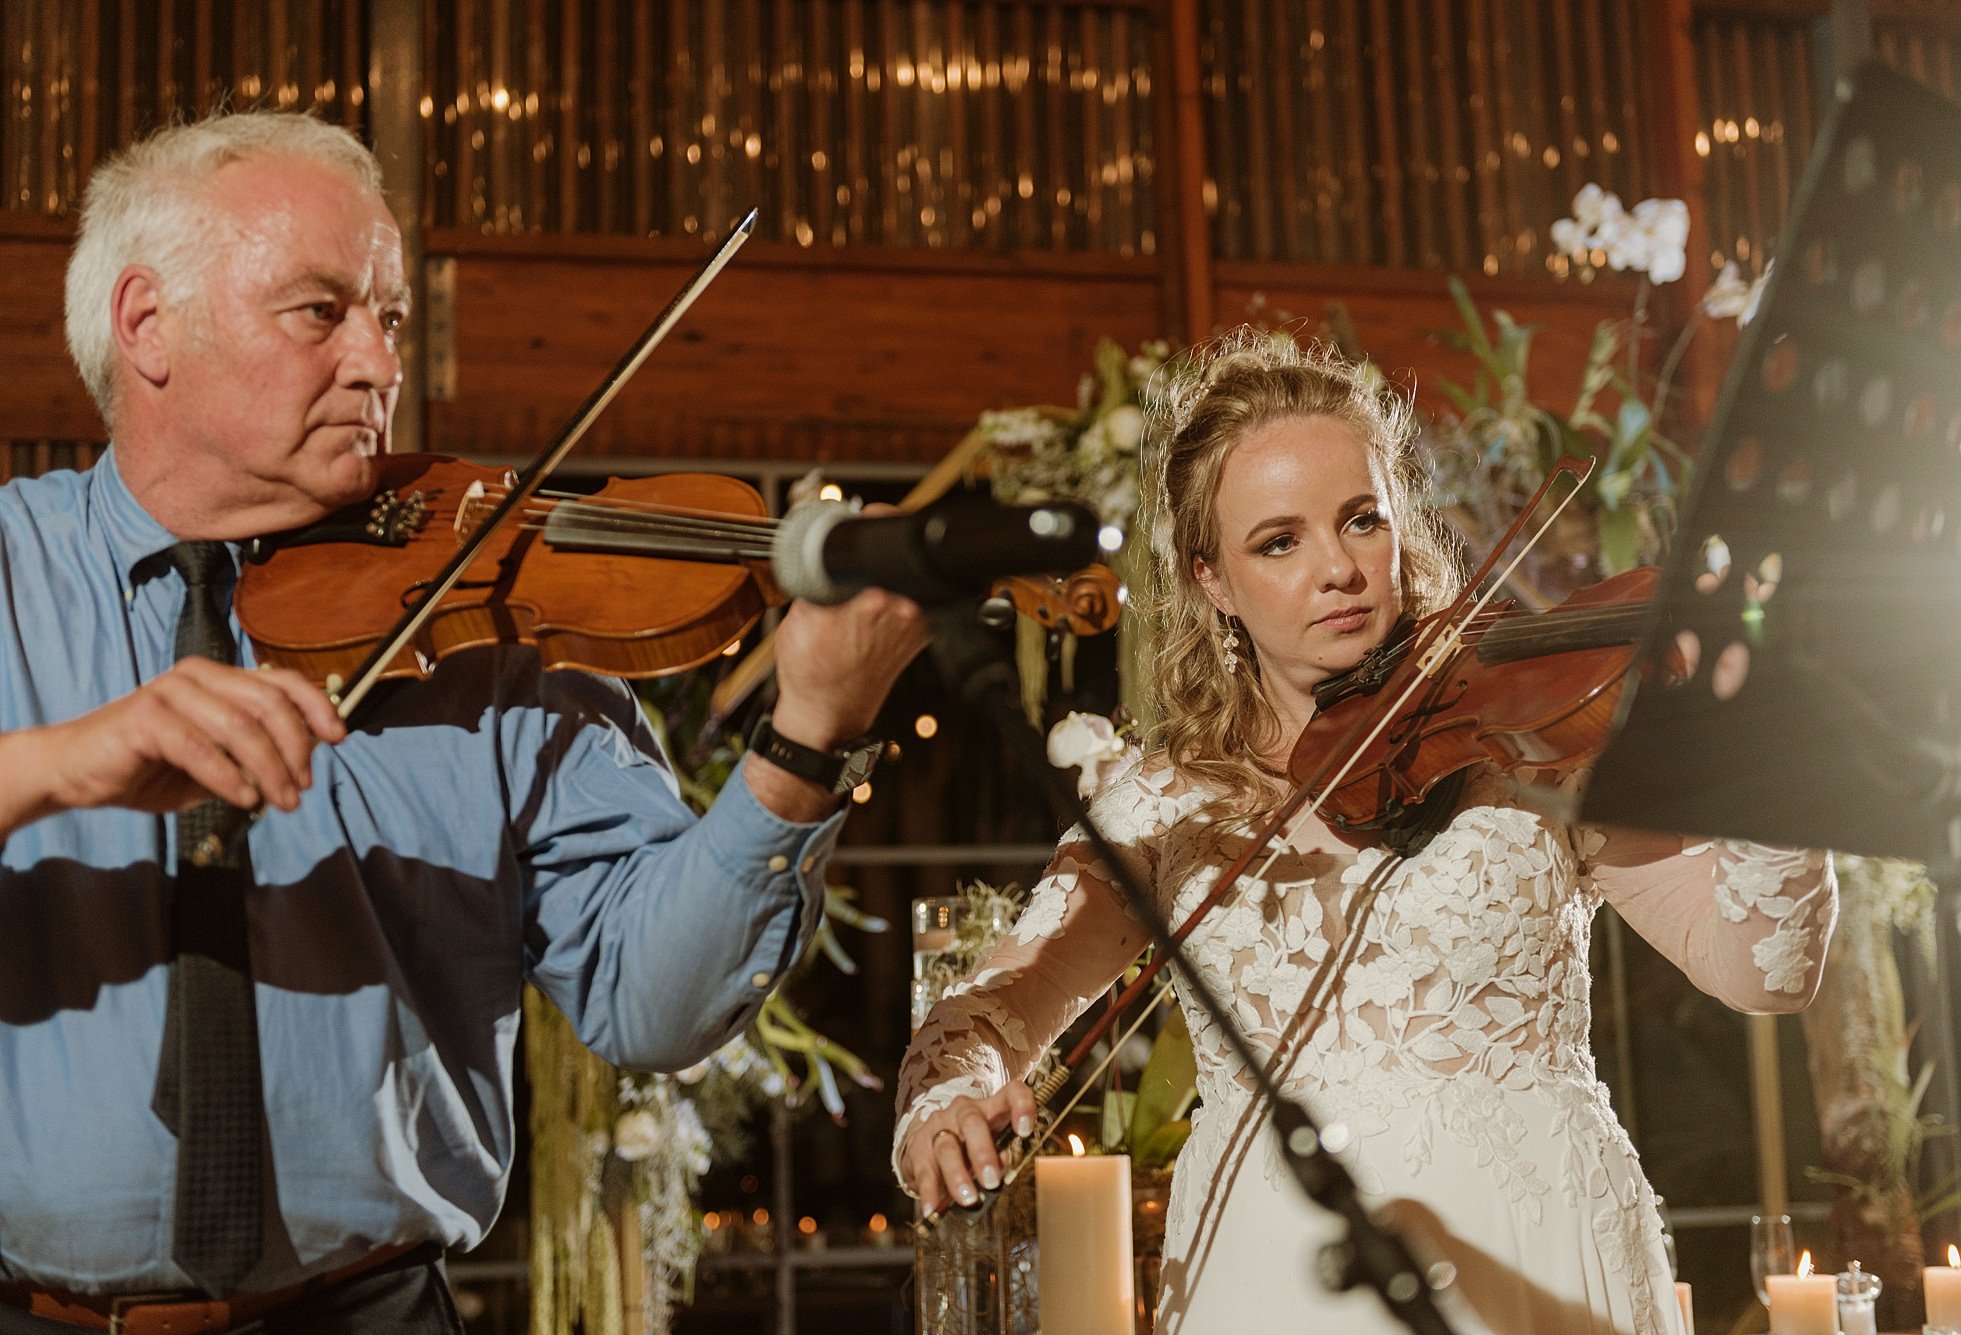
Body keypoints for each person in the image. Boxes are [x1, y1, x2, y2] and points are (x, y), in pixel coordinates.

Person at [0, 112, 926, 1332]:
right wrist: (62, 763)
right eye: (320, 311)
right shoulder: (14, 569)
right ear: (147, 324)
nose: (380, 363)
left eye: (386, 317)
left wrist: (806, 741)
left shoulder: (488, 608)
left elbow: (651, 1004)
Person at [895, 335, 1836, 1335]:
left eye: (1359, 521)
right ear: (1209, 578)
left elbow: (1764, 972)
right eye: (1278, 542)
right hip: (1275, 1276)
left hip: (1536, 1256)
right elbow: (991, 1011)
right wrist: (949, 1100)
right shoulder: (1164, 805)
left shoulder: (1522, 749)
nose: (1338, 569)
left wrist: (1763, 741)